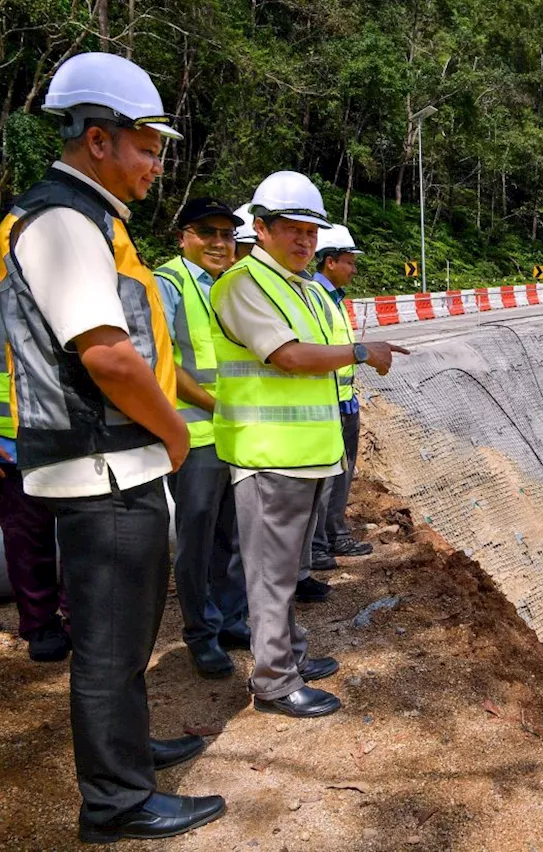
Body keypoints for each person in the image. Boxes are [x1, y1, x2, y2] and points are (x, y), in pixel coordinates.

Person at [0, 52, 224, 842]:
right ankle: (116, 802)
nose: (157, 165)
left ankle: (128, 756)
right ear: (98, 140)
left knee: (124, 638)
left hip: (107, 462)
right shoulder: (63, 223)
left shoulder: (87, 219)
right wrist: (171, 429)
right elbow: (106, 353)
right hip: (104, 464)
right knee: (107, 646)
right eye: (146, 148)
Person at [209, 170, 408, 718]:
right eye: (291, 229)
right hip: (269, 456)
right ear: (262, 228)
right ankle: (273, 681)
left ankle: (289, 656)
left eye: (311, 232)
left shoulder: (299, 287)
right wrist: (363, 352)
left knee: (287, 572)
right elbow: (290, 357)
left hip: (309, 455)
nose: (303, 240)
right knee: (270, 577)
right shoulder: (243, 285)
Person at [153, 198, 251, 678]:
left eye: (227, 235)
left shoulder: (230, 286)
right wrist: (220, 407)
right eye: (207, 233)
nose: (219, 243)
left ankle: (231, 618)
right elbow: (163, 363)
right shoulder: (168, 283)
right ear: (184, 237)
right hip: (195, 436)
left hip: (236, 434)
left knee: (231, 534)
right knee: (196, 536)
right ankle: (201, 633)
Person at [309, 224, 373, 571]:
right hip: (328, 402)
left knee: (342, 473)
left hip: (345, 400)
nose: (353, 269)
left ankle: (335, 534)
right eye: (349, 262)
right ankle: (318, 546)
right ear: (330, 262)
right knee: (325, 477)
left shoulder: (334, 299)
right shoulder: (315, 297)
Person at [0, 348, 67, 662]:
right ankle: (40, 624)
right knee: (25, 541)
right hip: (9, 446)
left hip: (65, 438)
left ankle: (79, 617)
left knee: (80, 535)